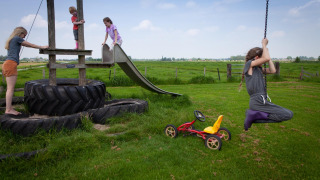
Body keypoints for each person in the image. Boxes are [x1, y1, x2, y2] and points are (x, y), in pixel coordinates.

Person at [239, 38, 293, 131]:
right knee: (287, 114)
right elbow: (266, 58)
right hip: (258, 101)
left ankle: (253, 116)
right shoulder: (249, 65)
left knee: (288, 114)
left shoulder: (258, 69)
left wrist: (267, 55)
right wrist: (264, 45)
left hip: (261, 100)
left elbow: (273, 70)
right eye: (261, 57)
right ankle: (254, 116)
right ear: (256, 58)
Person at [2, 27, 48, 115]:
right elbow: (30, 45)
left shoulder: (11, 39)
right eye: (24, 35)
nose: (24, 37)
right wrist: (42, 47)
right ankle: (8, 110)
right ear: (20, 33)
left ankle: (9, 108)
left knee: (9, 89)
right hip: (11, 64)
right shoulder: (16, 38)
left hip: (7, 64)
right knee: (10, 89)